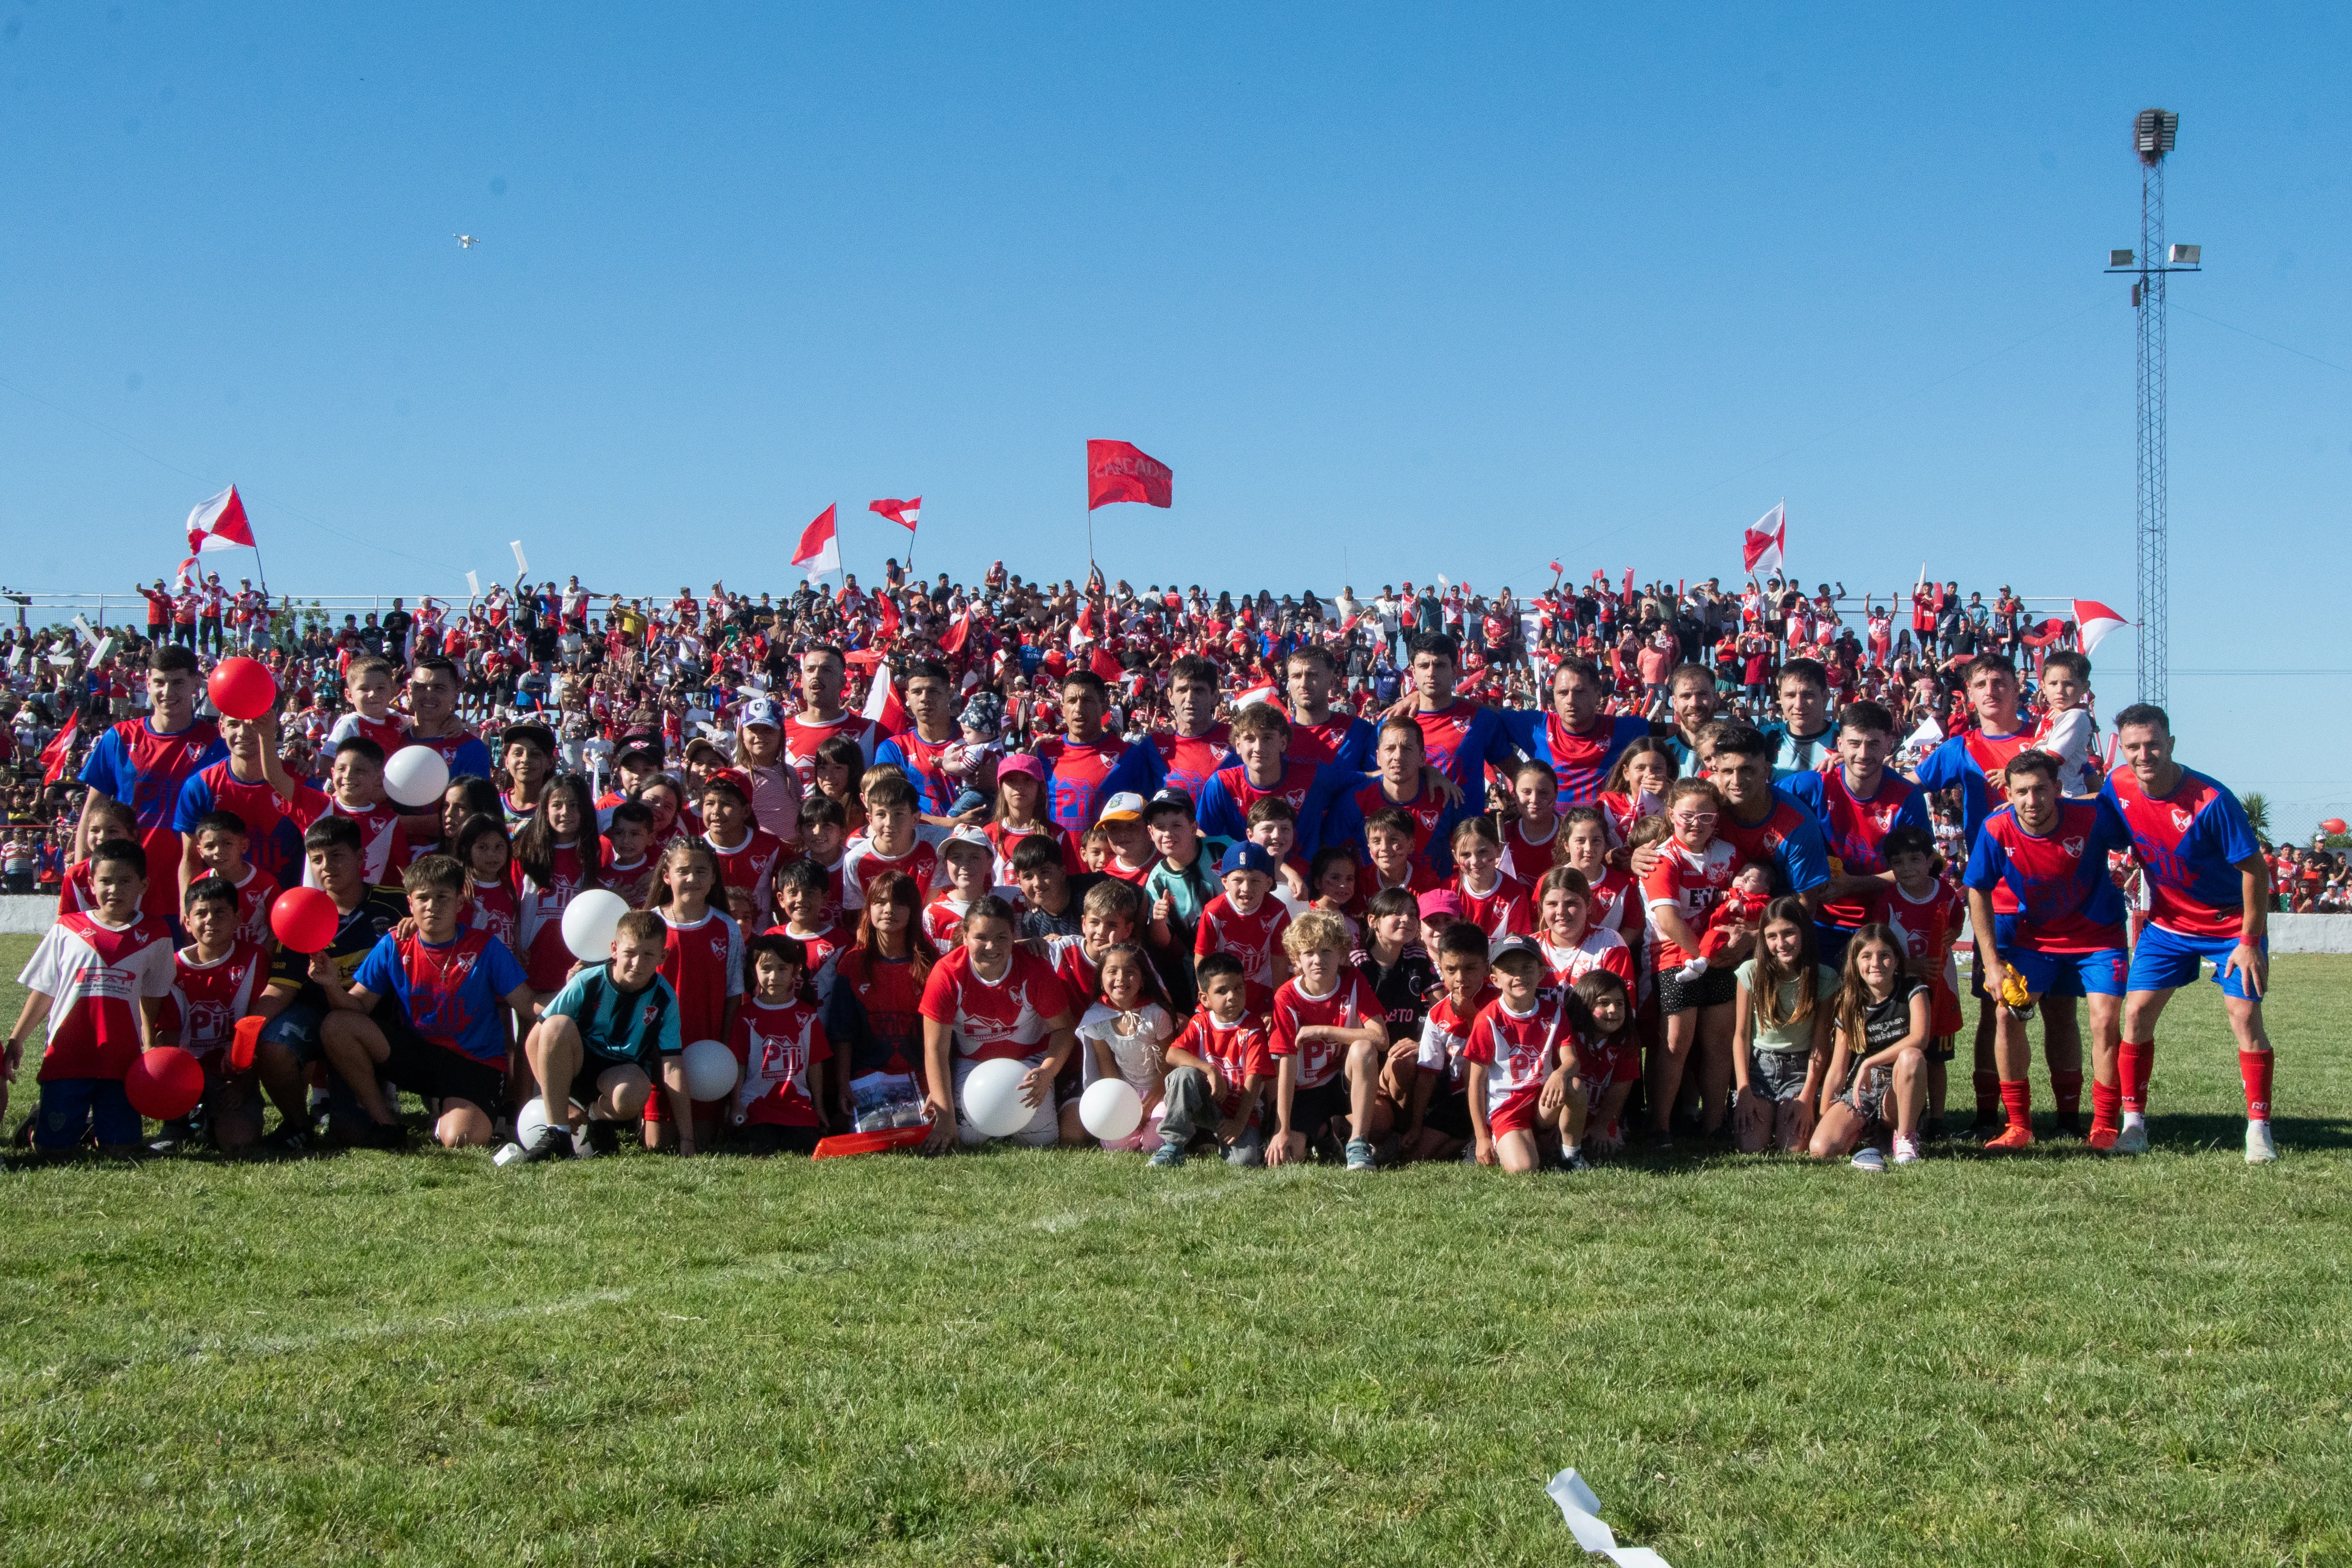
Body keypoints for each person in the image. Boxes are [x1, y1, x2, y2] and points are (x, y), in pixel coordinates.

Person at [2103, 704, 2277, 1162]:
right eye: (2133, 747)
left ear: (2170, 744)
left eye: (2152, 744)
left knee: (2242, 1017)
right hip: (2166, 925)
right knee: (2135, 1014)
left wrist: (2249, 942)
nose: (2144, 754)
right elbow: (2101, 827)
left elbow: (2254, 872)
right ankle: (2133, 1127)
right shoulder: (2116, 785)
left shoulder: (2211, 800)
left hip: (2228, 927)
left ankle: (2258, 1130)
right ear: (2121, 750)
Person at [1962, 750, 2133, 1152]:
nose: (2031, 800)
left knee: (2105, 1021)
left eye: (2040, 789)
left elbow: (2129, 822)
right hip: (2035, 941)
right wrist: (1991, 964)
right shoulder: (1997, 827)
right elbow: (1978, 889)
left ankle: (2106, 1125)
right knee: (2005, 1014)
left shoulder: (2090, 818)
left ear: (2058, 789)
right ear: (2008, 792)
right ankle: (2018, 1125)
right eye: (2021, 791)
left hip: (2098, 937)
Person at [322, 853, 539, 1151]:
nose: (432, 906)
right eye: (422, 898)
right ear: (409, 904)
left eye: (442, 897)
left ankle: (451, 1115)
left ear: (459, 903)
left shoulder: (485, 946)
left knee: (462, 1140)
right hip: (419, 1055)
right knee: (337, 1026)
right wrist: (332, 986)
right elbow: (358, 1006)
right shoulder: (394, 945)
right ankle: (385, 1123)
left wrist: (571, 994)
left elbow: (527, 1004)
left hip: (475, 1062)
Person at [5, 839, 178, 1155]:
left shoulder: (157, 933)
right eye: (106, 881)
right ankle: (38, 1124)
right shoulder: (67, 928)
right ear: (91, 883)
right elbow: (45, 989)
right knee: (52, 1151)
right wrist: (17, 1039)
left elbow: (152, 998)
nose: (114, 889)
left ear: (144, 884)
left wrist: (149, 1047)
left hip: (122, 1061)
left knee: (121, 1149)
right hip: (68, 1056)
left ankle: (94, 1127)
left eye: (125, 881)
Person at [75, 644, 227, 928]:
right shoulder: (119, 737)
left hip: (191, 885)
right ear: (147, 683)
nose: (167, 692)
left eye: (178, 682)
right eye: (159, 682)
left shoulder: (218, 744)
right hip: (125, 885)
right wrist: (79, 870)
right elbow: (93, 809)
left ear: (197, 683)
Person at [518, 909, 688, 1161]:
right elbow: (535, 1039)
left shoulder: (664, 998)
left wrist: (688, 1137)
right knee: (555, 1025)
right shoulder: (587, 982)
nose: (637, 963)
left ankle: (596, 1119)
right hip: (574, 1069)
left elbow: (673, 1065)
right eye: (630, 953)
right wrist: (561, 1103)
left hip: (617, 1076)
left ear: (662, 956)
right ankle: (559, 1134)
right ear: (614, 949)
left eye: (649, 954)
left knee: (635, 1090)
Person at [918, 895, 1082, 1149]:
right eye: (981, 937)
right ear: (965, 937)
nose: (992, 947)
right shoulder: (947, 974)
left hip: (1029, 1063)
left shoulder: (1034, 969)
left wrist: (1047, 1073)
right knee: (967, 1138)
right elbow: (935, 1050)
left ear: (1014, 936)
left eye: (1002, 938)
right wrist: (945, 1116)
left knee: (1042, 1141)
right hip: (972, 1065)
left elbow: (1064, 1028)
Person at [1783, 700, 1930, 967]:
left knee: (1880, 1008)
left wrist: (1851, 885)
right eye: (1854, 743)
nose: (1863, 754)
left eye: (1873, 744)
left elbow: (1919, 870)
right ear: (1839, 744)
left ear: (1889, 744)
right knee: (1817, 1006)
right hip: (1819, 921)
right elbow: (1759, 798)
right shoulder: (1811, 785)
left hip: (1882, 924)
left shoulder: (1907, 797)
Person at [166, 873, 303, 1153]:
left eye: (220, 912)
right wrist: (172, 1081)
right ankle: (180, 1118)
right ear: (187, 922)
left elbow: (260, 1025)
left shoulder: (255, 958)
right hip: (187, 1072)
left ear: (238, 917)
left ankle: (210, 1119)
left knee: (239, 1142)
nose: (210, 920)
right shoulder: (171, 967)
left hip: (234, 1076)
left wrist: (245, 1084)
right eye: (201, 913)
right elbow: (163, 1034)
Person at [1641, 776, 1741, 1144]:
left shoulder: (1728, 853)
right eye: (1687, 816)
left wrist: (1730, 944)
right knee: (1675, 1044)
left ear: (1717, 819)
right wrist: (1703, 954)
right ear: (1671, 815)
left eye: (1706, 816)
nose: (1695, 824)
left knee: (1718, 1042)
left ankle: (1714, 1124)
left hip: (1717, 958)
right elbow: (1668, 918)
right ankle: (1660, 1126)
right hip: (1674, 958)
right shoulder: (1663, 857)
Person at [1266, 909, 1389, 1170]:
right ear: (1296, 960)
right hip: (1305, 1090)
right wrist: (1283, 1129)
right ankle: (1324, 1136)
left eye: (1326, 952)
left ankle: (1358, 1143)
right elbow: (1286, 1065)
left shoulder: (1353, 980)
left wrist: (1324, 1031)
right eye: (1309, 953)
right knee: (1287, 1159)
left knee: (1364, 1050)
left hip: (1341, 1081)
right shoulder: (1286, 996)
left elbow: (1380, 1038)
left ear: (1342, 954)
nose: (1317, 960)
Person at [1808, 924, 1935, 1169]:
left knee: (1912, 1056)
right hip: (1861, 1088)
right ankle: (1872, 1138)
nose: (1875, 963)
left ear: (1897, 961)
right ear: (1855, 963)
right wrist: (1823, 1116)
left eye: (1884, 955)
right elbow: (1838, 1068)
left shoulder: (1913, 990)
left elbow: (1921, 1038)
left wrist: (1870, 1061)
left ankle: (1906, 1137)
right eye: (1866, 956)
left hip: (1899, 1088)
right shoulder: (1850, 1001)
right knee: (1821, 1149)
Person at [173, 703, 330, 898]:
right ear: (221, 728)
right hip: (222, 913)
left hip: (288, 907)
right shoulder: (200, 786)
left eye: (254, 725)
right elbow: (191, 860)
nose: (243, 733)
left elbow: (326, 852)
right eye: (233, 724)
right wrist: (188, 915)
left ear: (271, 726)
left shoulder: (301, 781)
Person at [825, 871, 938, 1131]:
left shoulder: (931, 964)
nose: (889, 910)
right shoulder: (853, 964)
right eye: (881, 902)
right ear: (869, 908)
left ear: (913, 910)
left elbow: (942, 1039)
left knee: (920, 1138)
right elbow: (843, 1035)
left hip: (920, 1080)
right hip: (867, 1081)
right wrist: (844, 1085)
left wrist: (937, 1088)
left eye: (899, 903)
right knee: (872, 1138)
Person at [1463, 936, 1584, 1172]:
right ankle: (1508, 1142)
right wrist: (1481, 1137)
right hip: (1508, 1109)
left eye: (1527, 968)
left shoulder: (1555, 1012)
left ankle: (1572, 1156)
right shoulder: (1487, 1019)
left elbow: (1572, 1061)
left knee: (1575, 1086)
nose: (1519, 976)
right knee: (1523, 1169)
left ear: (1541, 973)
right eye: (1509, 971)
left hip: (1542, 1099)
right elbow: (1476, 1082)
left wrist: (1561, 1073)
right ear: (1495, 980)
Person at [1730, 897, 1835, 1154]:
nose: (1781, 944)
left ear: (1804, 934)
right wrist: (1744, 1091)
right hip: (1760, 1069)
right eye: (1772, 937)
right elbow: (1741, 1036)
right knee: (1751, 1147)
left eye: (1789, 934)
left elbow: (1822, 1041)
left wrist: (1807, 1098)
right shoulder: (1750, 972)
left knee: (1794, 1147)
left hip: (1801, 1069)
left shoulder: (1825, 977)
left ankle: (1788, 1111)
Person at [1152, 951, 1273, 1167]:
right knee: (1183, 1075)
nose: (1232, 996)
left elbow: (1254, 1081)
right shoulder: (1200, 1023)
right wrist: (1209, 1070)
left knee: (1246, 1162)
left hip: (1239, 1111)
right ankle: (1173, 1145)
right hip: (1206, 1104)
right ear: (1205, 999)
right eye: (1222, 991)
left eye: (1238, 988)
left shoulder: (1253, 1028)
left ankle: (1208, 1138)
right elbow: (1172, 1054)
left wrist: (1238, 1123)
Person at [1498, 657, 1652, 807]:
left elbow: (1673, 733)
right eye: (1563, 693)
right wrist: (1520, 777)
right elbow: (1483, 717)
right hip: (1553, 832)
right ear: (1554, 696)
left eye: (1579, 692)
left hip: (1603, 832)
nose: (1570, 700)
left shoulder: (1623, 729)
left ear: (1598, 695)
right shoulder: (1537, 726)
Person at [732, 934, 833, 1155]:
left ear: (796, 971)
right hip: (756, 1107)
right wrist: (736, 1104)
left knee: (801, 1146)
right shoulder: (745, 1016)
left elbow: (815, 1064)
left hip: (797, 1107)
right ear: (754, 971)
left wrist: (820, 1106)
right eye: (766, 968)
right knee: (760, 1146)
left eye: (782, 969)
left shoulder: (807, 1016)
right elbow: (738, 1064)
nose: (773, 976)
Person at [1073, 942, 1175, 1153]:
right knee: (1117, 1145)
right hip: (1126, 1093)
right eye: (1112, 972)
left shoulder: (1156, 1014)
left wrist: (1146, 1110)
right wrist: (1125, 1108)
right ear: (1101, 979)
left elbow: (1168, 1065)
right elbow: (1107, 1068)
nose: (1121, 978)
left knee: (1154, 1144)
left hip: (1161, 1090)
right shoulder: (1097, 1019)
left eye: (1130, 972)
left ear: (1143, 980)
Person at [1194, 840, 1291, 1008]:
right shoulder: (1215, 911)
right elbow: (1202, 958)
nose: (1246, 888)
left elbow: (1280, 961)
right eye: (1238, 880)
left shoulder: (1277, 912)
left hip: (1263, 986)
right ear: (1224, 881)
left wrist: (1278, 1006)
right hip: (1225, 987)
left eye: (1255, 881)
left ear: (1268, 883)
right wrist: (1209, 1001)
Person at [782, 645, 882, 789]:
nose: (816, 675)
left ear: (842, 682)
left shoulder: (872, 732)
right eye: (810, 670)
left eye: (827, 670)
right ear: (802, 680)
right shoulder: (780, 732)